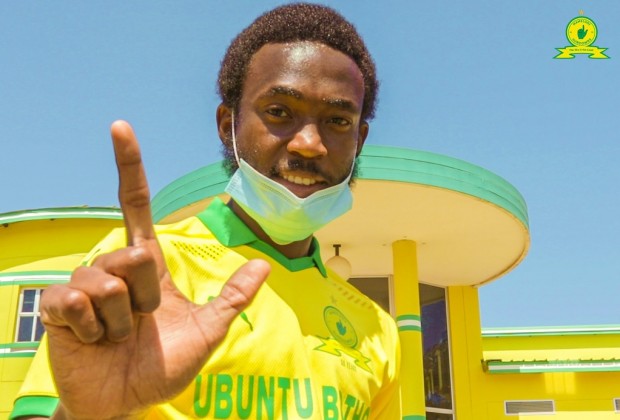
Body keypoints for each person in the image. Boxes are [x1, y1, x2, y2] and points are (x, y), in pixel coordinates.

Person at [11, 3, 401, 419]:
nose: (309, 143)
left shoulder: (376, 330)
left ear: (359, 141)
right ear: (227, 124)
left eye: (337, 121)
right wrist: (86, 413)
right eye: (279, 112)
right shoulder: (145, 269)